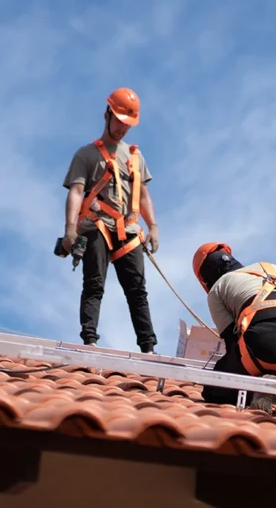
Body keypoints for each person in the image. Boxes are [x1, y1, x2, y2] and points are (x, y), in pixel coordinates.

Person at [61, 87, 160, 353]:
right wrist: (70, 228)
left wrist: (152, 227)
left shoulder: (136, 157)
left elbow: (143, 195)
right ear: (107, 114)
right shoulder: (87, 155)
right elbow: (76, 192)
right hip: (97, 226)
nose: (123, 129)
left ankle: (148, 348)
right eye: (119, 121)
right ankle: (90, 340)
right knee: (94, 284)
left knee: (137, 290)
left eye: (128, 124)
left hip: (128, 229)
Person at [191, 242, 276, 411]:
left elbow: (233, 342)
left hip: (264, 347)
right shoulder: (273, 269)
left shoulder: (217, 289)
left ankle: (262, 388)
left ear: (205, 279)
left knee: (213, 389)